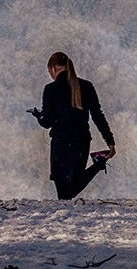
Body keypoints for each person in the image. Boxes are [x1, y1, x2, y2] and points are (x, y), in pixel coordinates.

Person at [29, 51, 116, 200]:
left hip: (62, 142)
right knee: (72, 187)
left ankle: (98, 165)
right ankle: (99, 164)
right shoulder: (86, 86)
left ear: (54, 68)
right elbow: (97, 115)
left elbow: (48, 122)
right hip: (82, 141)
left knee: (64, 192)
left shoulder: (51, 89)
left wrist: (38, 116)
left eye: (49, 71)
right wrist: (110, 141)